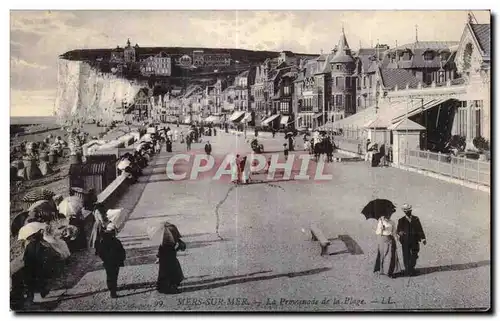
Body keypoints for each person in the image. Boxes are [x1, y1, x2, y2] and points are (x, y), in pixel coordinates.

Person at [23, 230, 56, 303]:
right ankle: (43, 292)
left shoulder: (28, 246)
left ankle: (31, 296)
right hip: (38, 266)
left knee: (31, 282)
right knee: (41, 279)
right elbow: (43, 255)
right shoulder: (40, 245)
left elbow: (25, 257)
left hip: (30, 266)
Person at [96, 223, 126, 298]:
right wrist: (121, 259)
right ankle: (113, 291)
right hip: (115, 262)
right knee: (114, 276)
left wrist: (104, 259)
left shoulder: (102, 241)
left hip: (107, 262)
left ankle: (110, 287)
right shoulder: (116, 241)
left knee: (109, 275)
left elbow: (100, 252)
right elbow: (122, 251)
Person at [397, 204, 427, 276]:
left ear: (411, 210)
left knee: (415, 254)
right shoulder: (401, 220)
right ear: (404, 212)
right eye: (406, 211)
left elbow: (420, 229)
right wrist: (400, 232)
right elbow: (398, 229)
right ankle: (408, 270)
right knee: (406, 255)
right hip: (405, 240)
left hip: (415, 240)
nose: (408, 212)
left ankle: (411, 267)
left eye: (409, 210)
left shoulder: (416, 219)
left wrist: (423, 238)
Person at [156, 222, 186, 294]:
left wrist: (158, 257)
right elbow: (182, 247)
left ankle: (163, 287)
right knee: (172, 272)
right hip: (171, 257)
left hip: (164, 260)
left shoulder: (162, 241)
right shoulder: (174, 237)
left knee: (164, 273)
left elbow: (159, 251)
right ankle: (171, 287)